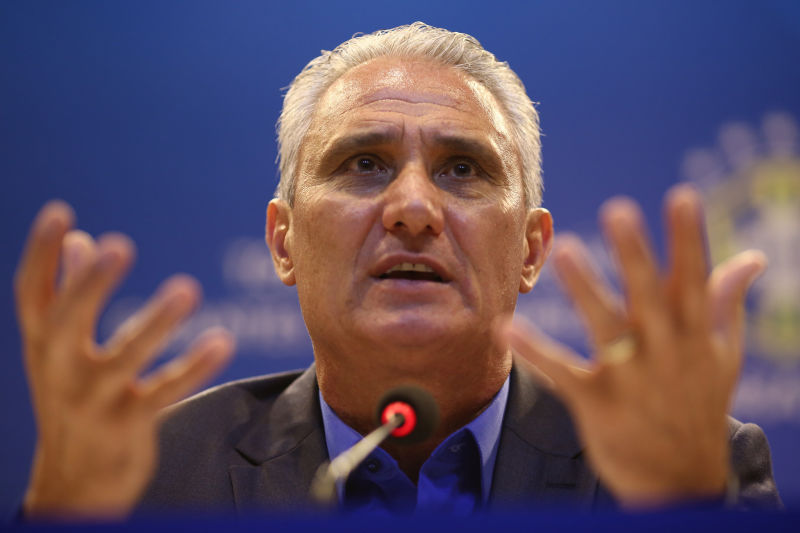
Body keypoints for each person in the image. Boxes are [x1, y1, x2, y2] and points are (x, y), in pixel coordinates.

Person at [15, 23, 781, 519]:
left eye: (462, 169)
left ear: (530, 250)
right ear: (283, 242)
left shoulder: (681, 467)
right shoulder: (155, 474)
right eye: (364, 163)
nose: (413, 208)